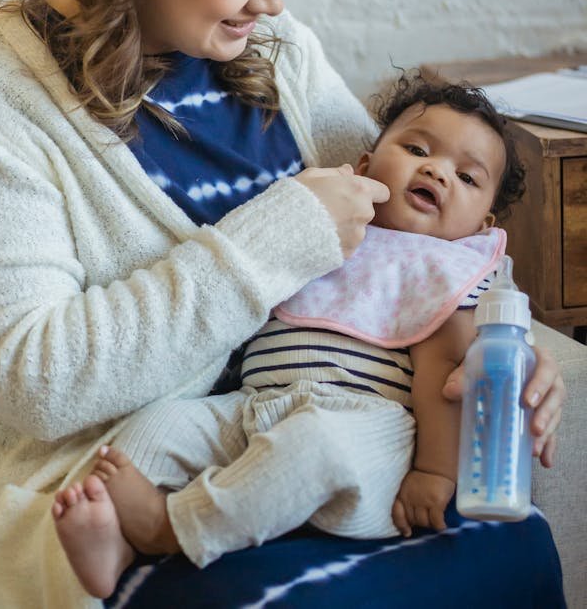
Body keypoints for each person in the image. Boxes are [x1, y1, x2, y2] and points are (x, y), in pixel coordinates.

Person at [0, 0, 565, 609]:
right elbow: (32, 382)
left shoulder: (278, 50)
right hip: (124, 474)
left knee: (513, 549)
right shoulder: (10, 100)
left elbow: (420, 230)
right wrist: (272, 241)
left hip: (319, 429)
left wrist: (499, 339)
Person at [51, 73, 525, 595]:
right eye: (416, 148)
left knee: (312, 448)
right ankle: (116, 545)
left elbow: (446, 378)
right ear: (365, 168)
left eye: (468, 176)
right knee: (155, 426)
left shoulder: (443, 272)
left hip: (361, 425)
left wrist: (435, 473)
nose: (437, 170)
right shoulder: (330, 225)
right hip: (254, 404)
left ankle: (173, 527)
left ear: (483, 224)